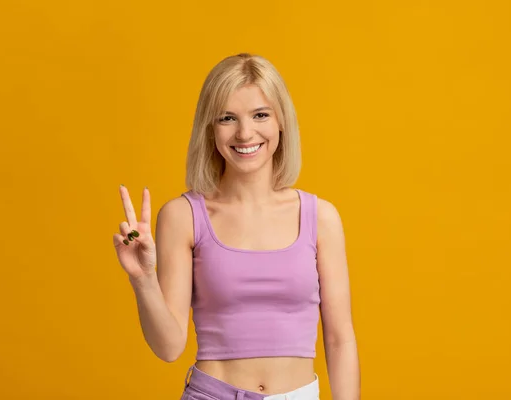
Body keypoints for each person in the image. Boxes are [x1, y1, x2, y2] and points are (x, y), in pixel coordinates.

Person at [113, 53, 360, 400]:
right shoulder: (183, 216)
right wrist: (143, 280)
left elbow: (340, 338)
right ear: (209, 128)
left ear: (280, 122)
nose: (245, 133)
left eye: (260, 115)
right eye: (228, 118)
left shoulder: (322, 218)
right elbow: (169, 347)